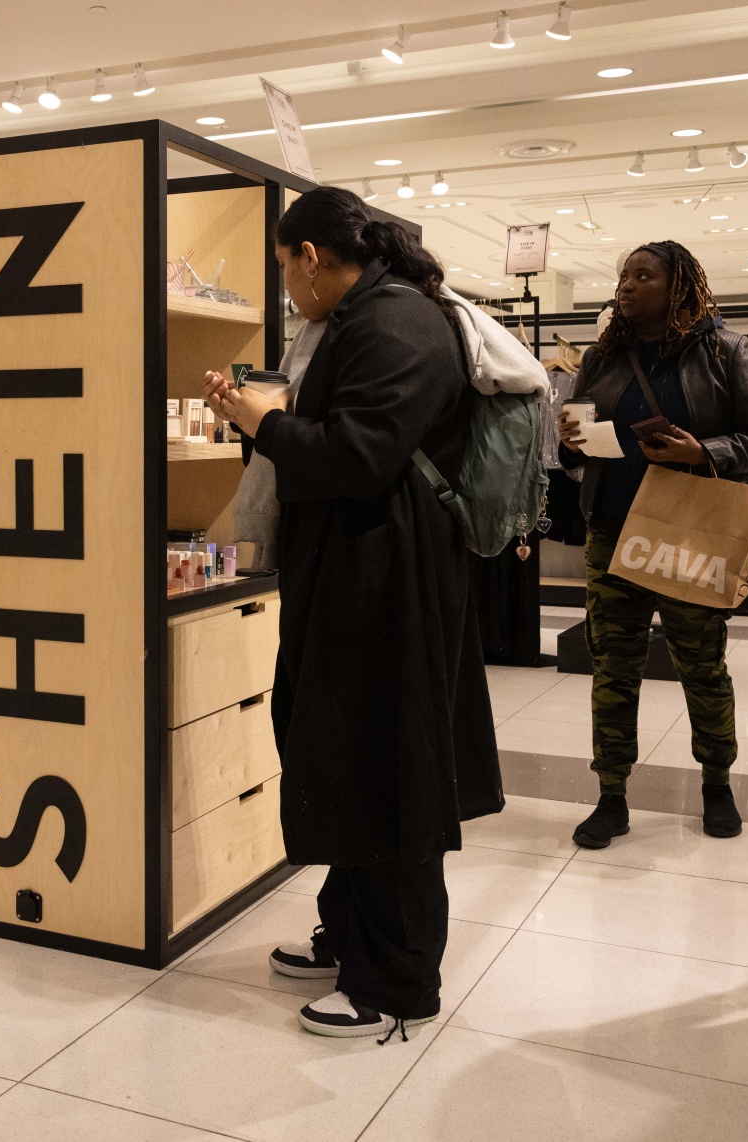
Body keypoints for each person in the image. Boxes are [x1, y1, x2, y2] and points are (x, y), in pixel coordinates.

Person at [204, 186, 498, 1041]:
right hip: (360, 571)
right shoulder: (374, 319)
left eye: (284, 269)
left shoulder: (394, 323)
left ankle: (397, 982)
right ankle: (351, 933)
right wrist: (262, 417)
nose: (288, 289)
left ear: (310, 257)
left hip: (387, 581)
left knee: (385, 764)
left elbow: (359, 455)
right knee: (344, 754)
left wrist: (268, 422)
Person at [556, 241, 748, 849]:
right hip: (613, 530)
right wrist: (571, 436)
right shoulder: (602, 356)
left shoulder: (726, 350)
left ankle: (716, 784)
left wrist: (705, 452)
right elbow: (580, 427)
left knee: (702, 665)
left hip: (691, 531)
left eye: (643, 275)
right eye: (623, 275)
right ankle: (611, 795)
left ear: (678, 285)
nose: (626, 284)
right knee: (612, 670)